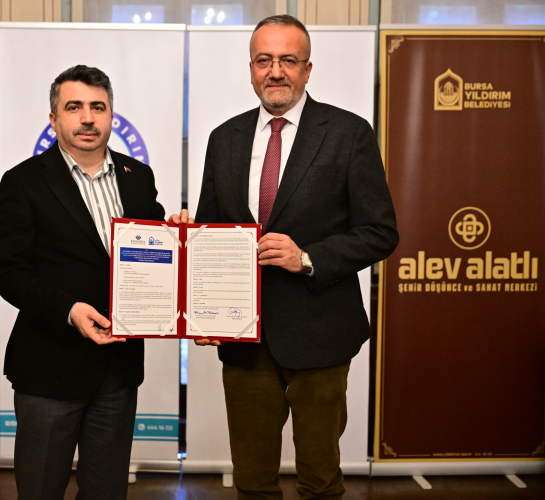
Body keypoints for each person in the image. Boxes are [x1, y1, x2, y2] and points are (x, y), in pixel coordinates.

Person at [170, 14, 398, 500]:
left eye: (288, 60)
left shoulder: (348, 133)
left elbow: (380, 233)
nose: (276, 71)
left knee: (320, 480)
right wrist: (192, 265)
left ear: (307, 69)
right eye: (264, 60)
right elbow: (211, 234)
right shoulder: (224, 138)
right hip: (244, 341)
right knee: (252, 481)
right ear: (251, 69)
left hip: (321, 336)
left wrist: (308, 257)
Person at [0, 65, 165, 500]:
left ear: (111, 116)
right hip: (48, 370)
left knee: (107, 491)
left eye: (97, 107)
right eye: (74, 107)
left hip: (118, 371)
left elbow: (158, 254)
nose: (87, 118)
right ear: (54, 119)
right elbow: (10, 272)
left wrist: (181, 240)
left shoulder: (138, 176)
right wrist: (69, 311)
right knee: (40, 490)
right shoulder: (23, 182)